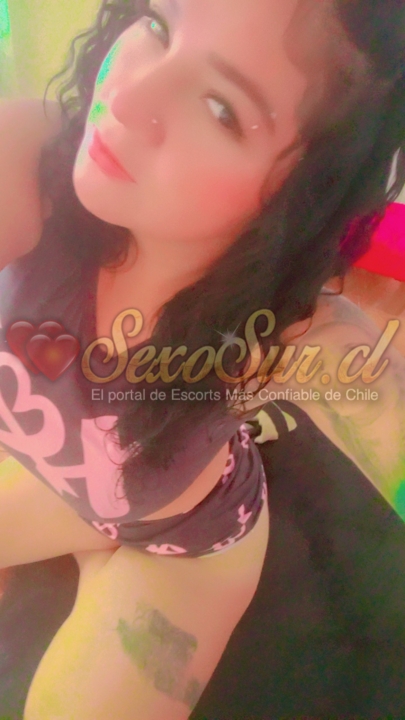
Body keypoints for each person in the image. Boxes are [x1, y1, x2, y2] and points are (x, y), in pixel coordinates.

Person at [0, 0, 404, 718]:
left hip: (181, 544)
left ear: (303, 192)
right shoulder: (31, 162)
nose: (131, 96)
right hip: (68, 494)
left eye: (221, 109)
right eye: (158, 26)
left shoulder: (286, 331)